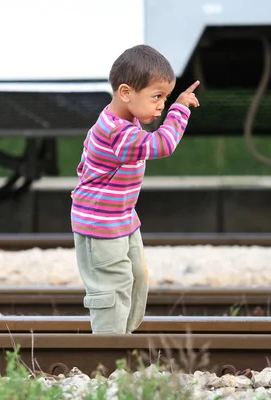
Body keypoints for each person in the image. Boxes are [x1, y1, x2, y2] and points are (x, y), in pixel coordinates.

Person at [70, 45, 200, 334]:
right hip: (100, 226)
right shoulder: (117, 131)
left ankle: (123, 342)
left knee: (137, 278)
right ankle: (108, 354)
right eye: (157, 97)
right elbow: (163, 145)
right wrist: (179, 109)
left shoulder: (127, 121)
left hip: (123, 219)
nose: (161, 106)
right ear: (126, 93)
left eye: (165, 99)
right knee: (112, 287)